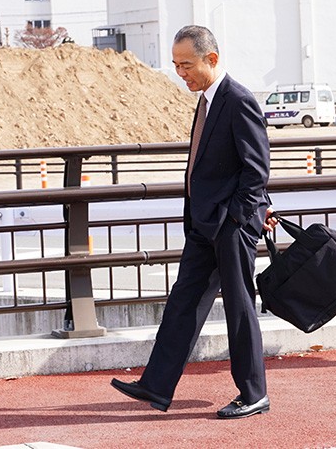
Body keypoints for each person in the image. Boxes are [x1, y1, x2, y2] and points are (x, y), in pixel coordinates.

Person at [111, 25, 273, 419]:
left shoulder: (238, 100)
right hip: (204, 224)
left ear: (211, 59)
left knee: (239, 307)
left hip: (229, 225)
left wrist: (236, 218)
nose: (180, 73)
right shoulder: (207, 101)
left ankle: (254, 393)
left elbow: (256, 169)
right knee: (183, 301)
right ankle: (156, 383)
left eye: (186, 65)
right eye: (175, 65)